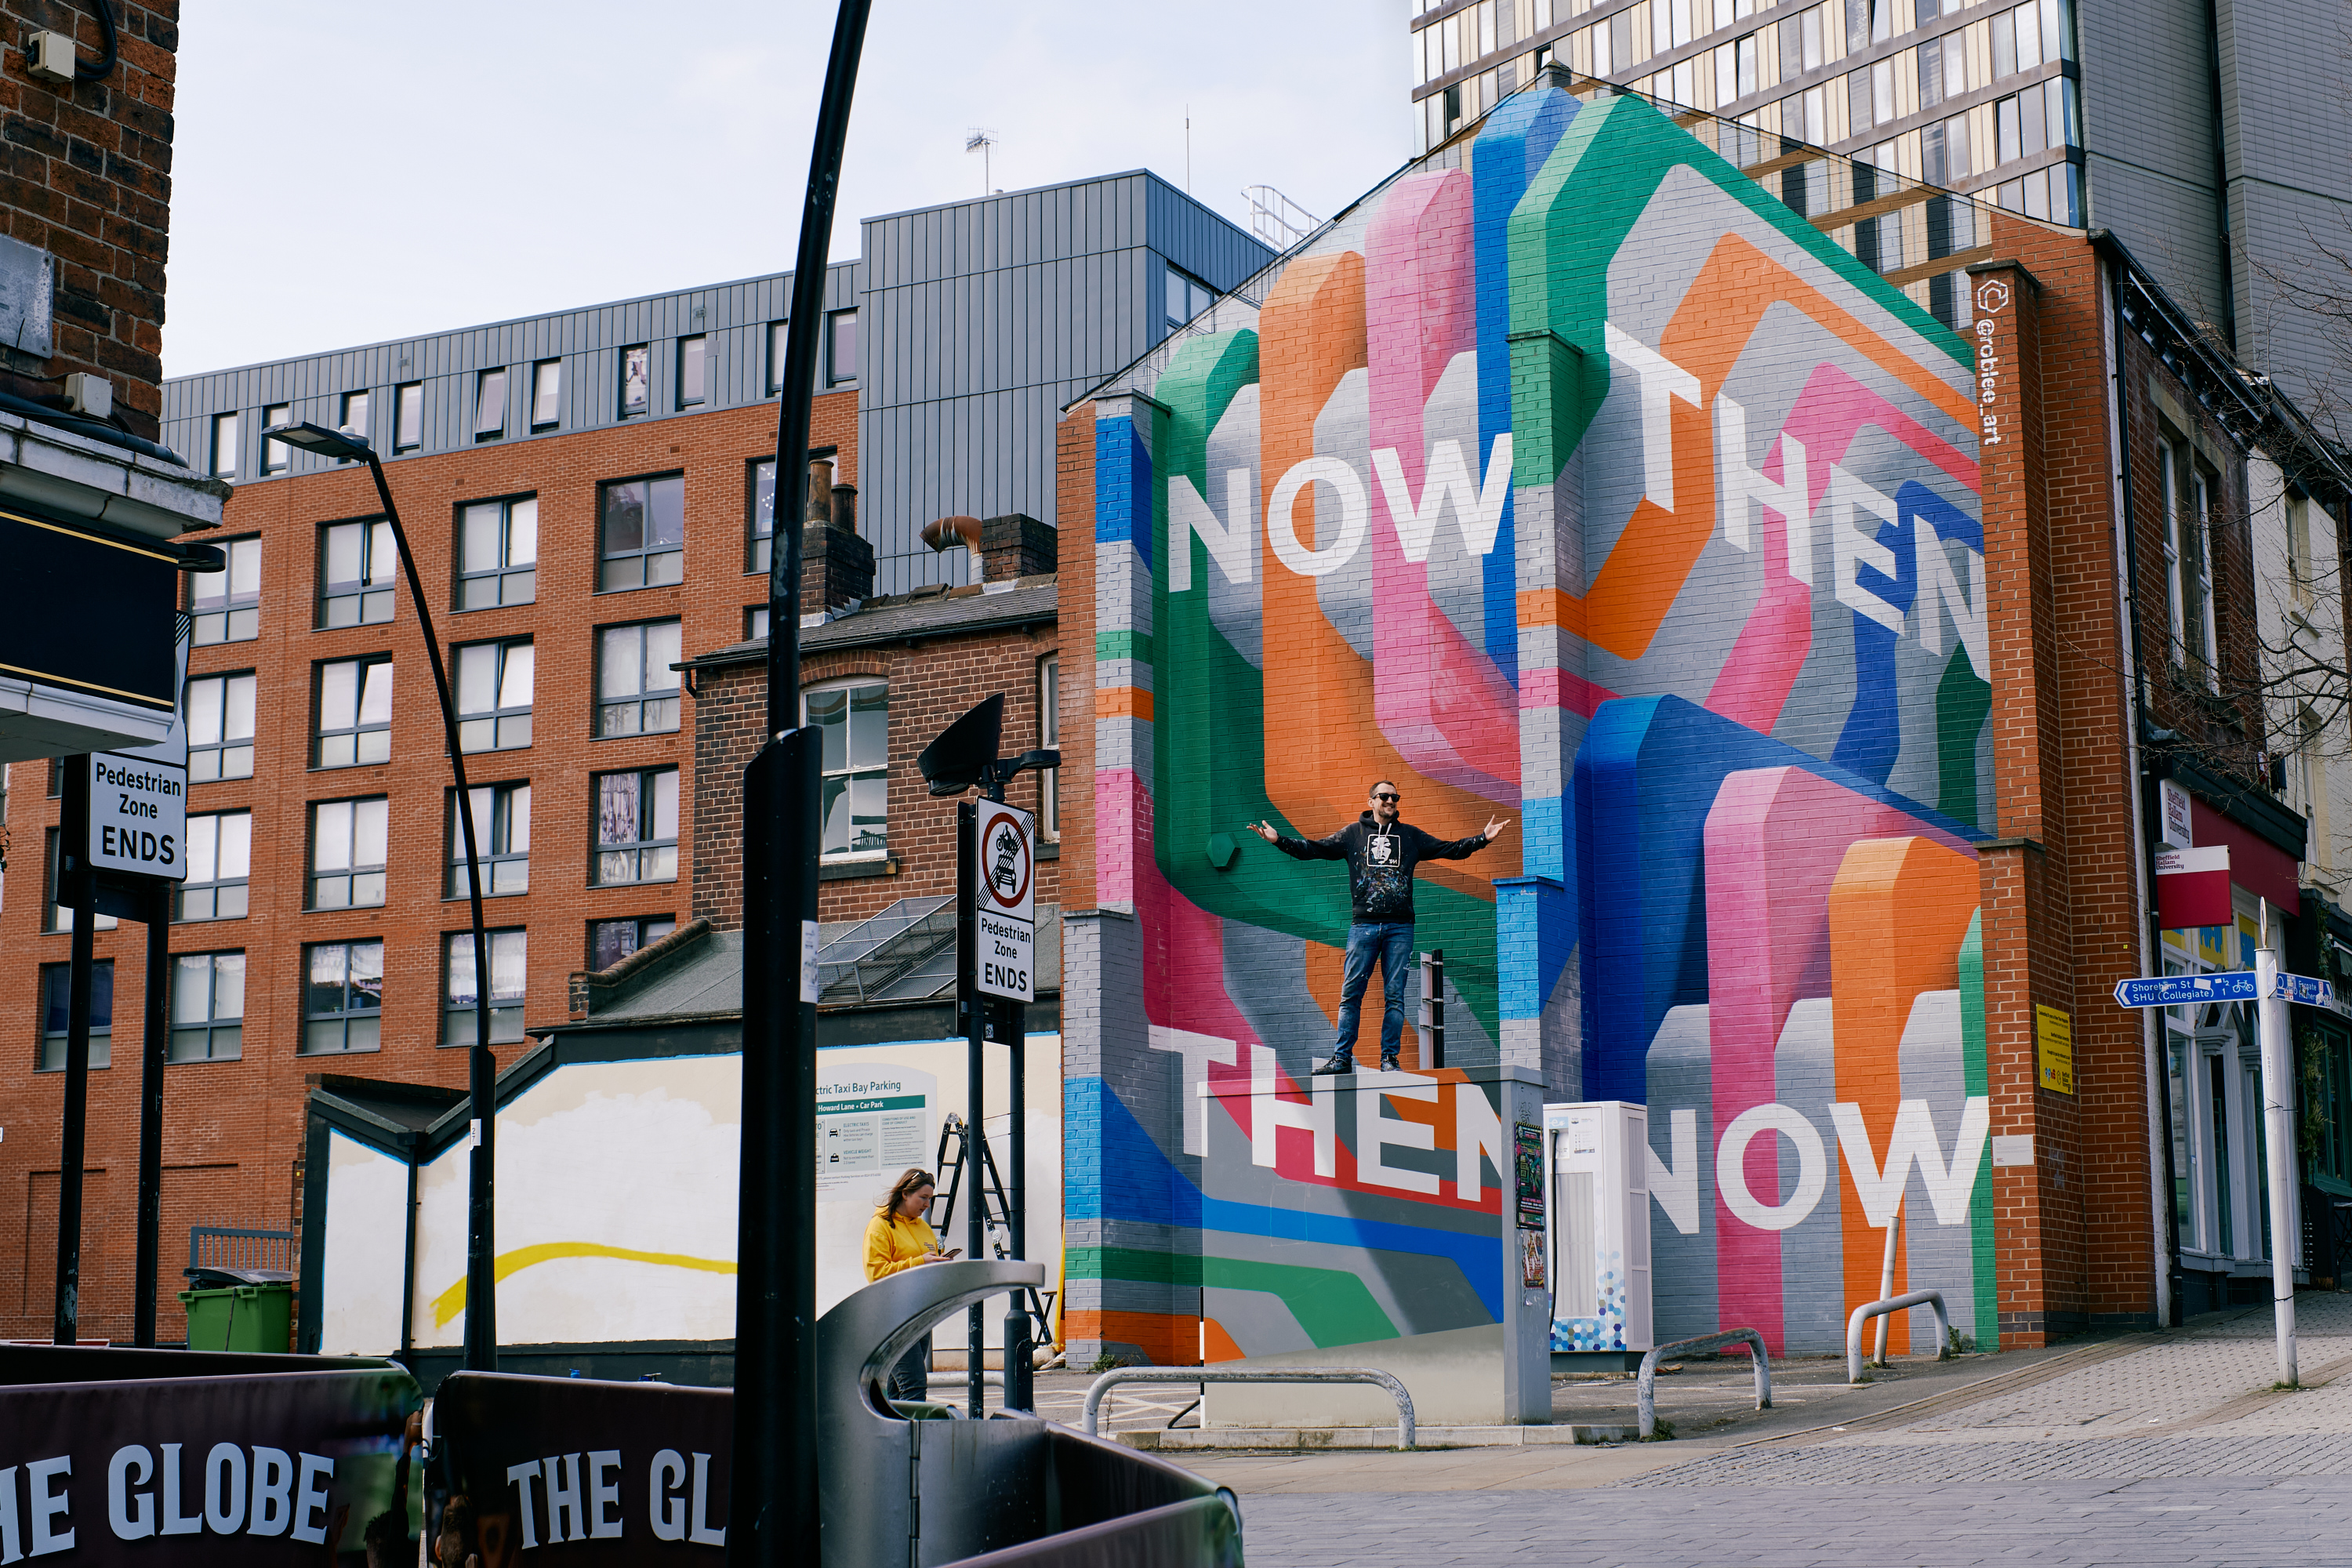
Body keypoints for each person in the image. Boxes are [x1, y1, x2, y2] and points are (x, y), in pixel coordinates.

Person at [1252, 780, 1508, 1075]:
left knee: (1395, 996)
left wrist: (1482, 839)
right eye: (1384, 796)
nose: (1390, 801)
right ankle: (1342, 1058)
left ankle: (1389, 1059)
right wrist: (1279, 840)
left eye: (1394, 797)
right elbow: (1315, 849)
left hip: (1400, 927)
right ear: (1371, 801)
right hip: (1363, 926)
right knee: (1351, 994)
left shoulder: (1410, 836)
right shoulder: (1353, 834)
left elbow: (1449, 850)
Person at [864, 1167, 956, 1403]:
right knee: (914, 1383)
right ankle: (913, 1428)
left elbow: (926, 1264)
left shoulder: (923, 1228)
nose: (927, 1204)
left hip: (920, 1314)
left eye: (930, 1199)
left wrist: (940, 1264)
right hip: (892, 1316)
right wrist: (919, 1262)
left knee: (897, 1388)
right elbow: (876, 1273)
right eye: (923, 1197)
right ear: (905, 1194)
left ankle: (893, 1426)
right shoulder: (880, 1225)